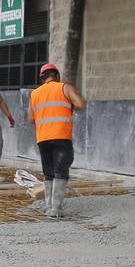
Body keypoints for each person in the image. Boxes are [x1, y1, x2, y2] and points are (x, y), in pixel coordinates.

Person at [28, 63, 86, 218]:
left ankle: (49, 206)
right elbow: (80, 104)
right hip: (61, 136)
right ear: (57, 76)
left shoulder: (35, 94)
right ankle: (56, 209)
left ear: (42, 79)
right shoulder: (64, 88)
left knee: (49, 172)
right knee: (61, 171)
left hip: (43, 138)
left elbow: (30, 118)